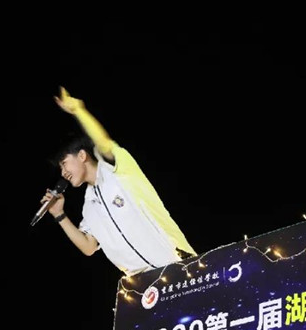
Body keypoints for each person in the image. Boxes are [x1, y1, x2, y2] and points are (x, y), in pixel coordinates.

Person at [41, 87, 196, 276]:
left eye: (64, 163)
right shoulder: (89, 206)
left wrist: (78, 110)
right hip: (143, 286)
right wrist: (59, 215)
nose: (63, 173)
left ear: (82, 155)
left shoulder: (116, 170)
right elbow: (89, 247)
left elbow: (104, 142)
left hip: (178, 265)